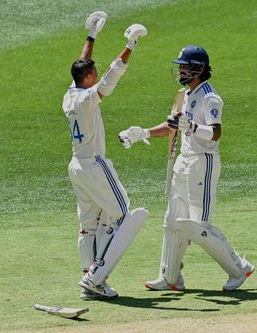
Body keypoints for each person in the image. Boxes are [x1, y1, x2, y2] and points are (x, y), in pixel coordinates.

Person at [118, 45, 254, 291]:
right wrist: (144, 133)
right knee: (172, 221)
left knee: (198, 226)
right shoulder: (186, 94)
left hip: (203, 163)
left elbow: (215, 133)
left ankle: (239, 268)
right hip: (183, 161)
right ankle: (171, 278)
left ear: (198, 68)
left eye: (184, 65)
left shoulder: (210, 97)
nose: (180, 69)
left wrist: (190, 126)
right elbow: (175, 124)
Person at [63, 11, 149, 299]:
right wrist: (131, 45)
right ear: (88, 78)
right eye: (93, 74)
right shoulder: (88, 99)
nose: (96, 75)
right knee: (123, 213)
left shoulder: (70, 94)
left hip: (76, 167)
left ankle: (89, 280)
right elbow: (112, 76)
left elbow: (80, 66)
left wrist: (92, 36)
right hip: (94, 165)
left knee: (90, 225)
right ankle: (96, 277)